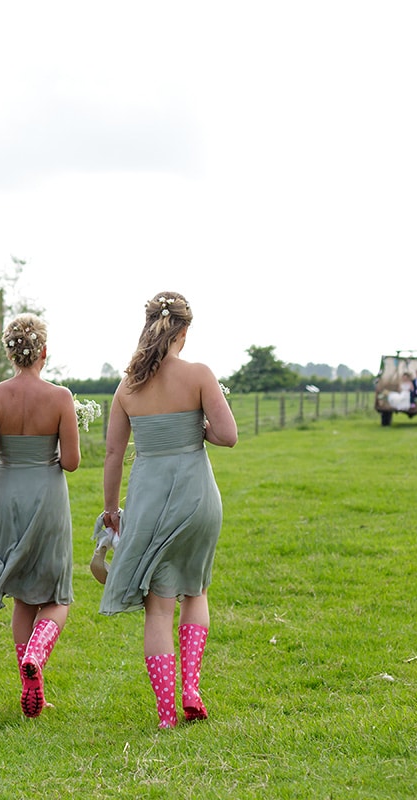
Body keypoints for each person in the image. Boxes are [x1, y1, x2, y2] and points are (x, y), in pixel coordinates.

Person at [99, 291, 238, 729]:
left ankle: (165, 715)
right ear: (184, 330)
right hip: (198, 496)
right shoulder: (199, 375)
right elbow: (228, 435)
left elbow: (113, 455)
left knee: (158, 607)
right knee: (195, 591)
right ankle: (192, 688)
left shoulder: (128, 387)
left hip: (149, 498)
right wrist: (196, 426)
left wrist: (110, 508)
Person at [0, 313, 81, 719]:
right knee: (56, 595)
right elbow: (74, 462)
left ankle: (30, 678)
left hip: (5, 496)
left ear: (10, 352)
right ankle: (37, 657)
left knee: (23, 596)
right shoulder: (61, 398)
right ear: (44, 352)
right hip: (47, 495)